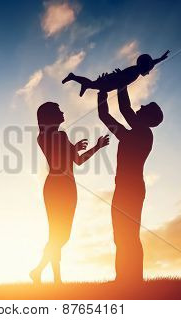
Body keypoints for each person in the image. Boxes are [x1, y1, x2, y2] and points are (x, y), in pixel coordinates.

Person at [30, 102, 109, 284]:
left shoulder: (55, 136)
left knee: (61, 235)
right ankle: (53, 278)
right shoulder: (49, 136)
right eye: (58, 110)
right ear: (49, 116)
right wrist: (75, 149)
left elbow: (77, 160)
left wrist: (96, 147)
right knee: (58, 234)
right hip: (58, 186)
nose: (63, 111)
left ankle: (40, 271)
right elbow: (66, 158)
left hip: (65, 186)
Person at [97, 82, 163, 283]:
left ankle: (134, 279)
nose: (140, 107)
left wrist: (121, 83)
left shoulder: (143, 134)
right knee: (121, 235)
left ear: (148, 118)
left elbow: (124, 109)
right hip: (125, 188)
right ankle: (123, 279)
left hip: (131, 189)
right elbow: (105, 117)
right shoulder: (129, 135)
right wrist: (102, 92)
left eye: (145, 108)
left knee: (130, 235)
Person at [62, 50, 169, 97]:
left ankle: (81, 82)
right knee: (95, 85)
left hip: (114, 82)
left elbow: (150, 64)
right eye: (148, 69)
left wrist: (160, 59)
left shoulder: (136, 70)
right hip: (113, 81)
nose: (148, 72)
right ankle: (74, 77)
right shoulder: (135, 71)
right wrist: (108, 79)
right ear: (144, 66)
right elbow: (122, 76)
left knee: (94, 85)